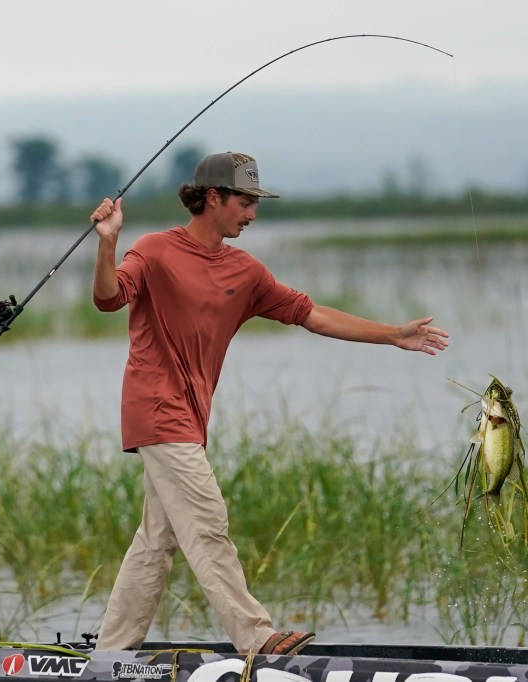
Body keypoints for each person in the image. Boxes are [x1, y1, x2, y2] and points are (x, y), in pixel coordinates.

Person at [90, 151, 449, 655]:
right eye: (245, 202)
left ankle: (109, 655)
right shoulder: (154, 250)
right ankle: (256, 637)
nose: (253, 214)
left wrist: (392, 334)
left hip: (191, 418)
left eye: (255, 203)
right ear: (212, 198)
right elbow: (108, 298)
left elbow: (313, 314)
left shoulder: (245, 271)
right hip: (156, 410)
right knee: (207, 522)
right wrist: (108, 243)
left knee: (156, 541)